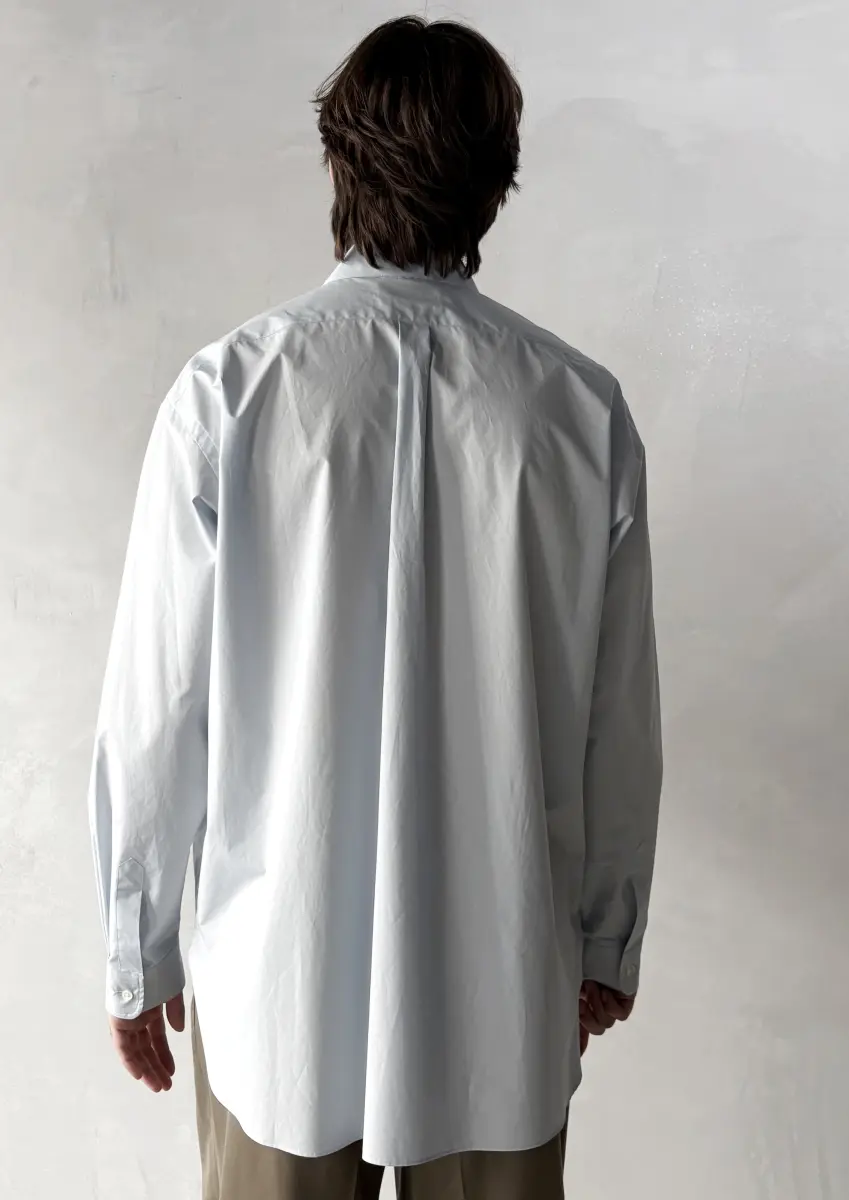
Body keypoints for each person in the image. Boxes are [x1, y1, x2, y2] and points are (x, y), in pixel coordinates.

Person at [87, 15, 663, 1200]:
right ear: (497, 177)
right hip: (500, 982)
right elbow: (621, 719)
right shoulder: (579, 414)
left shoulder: (230, 393)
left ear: (338, 159)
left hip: (279, 989)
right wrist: (606, 935)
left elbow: (155, 707)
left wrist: (136, 950)